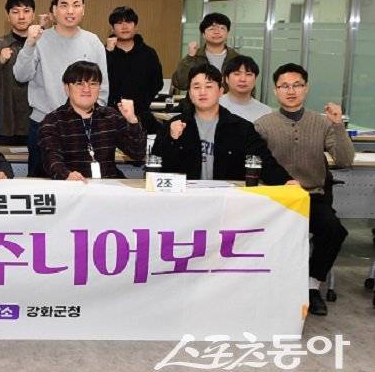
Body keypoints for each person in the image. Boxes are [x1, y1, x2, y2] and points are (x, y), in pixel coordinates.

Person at [254, 63, 355, 315]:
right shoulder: (263, 124)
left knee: (334, 230)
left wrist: (338, 125)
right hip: (275, 198)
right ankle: (269, 286)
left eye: (297, 85)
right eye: (284, 86)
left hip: (312, 197)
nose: (291, 91)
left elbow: (344, 160)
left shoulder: (322, 123)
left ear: (306, 89)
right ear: (275, 90)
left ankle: (311, 286)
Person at [13, 0, 108, 177]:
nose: (70, 11)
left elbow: (102, 89)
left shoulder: (93, 42)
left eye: (76, 5)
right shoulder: (39, 40)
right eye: (64, 5)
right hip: (43, 123)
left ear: (83, 9)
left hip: (83, 127)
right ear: (55, 10)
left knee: (83, 183)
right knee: (40, 184)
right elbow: (21, 75)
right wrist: (29, 44)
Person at [151, 64, 292, 184]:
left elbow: (264, 162)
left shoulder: (241, 128)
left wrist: (286, 182)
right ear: (189, 93)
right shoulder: (174, 125)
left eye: (209, 86)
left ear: (220, 91)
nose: (202, 92)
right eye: (196, 87)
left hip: (227, 201)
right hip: (186, 199)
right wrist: (171, 139)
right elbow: (155, 166)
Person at [39, 61, 146, 181]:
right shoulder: (53, 121)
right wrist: (66, 175)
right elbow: (51, 159)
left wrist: (132, 120)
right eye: (79, 83)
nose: (86, 89)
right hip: (73, 185)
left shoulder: (111, 116)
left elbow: (137, 154)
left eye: (93, 84)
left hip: (109, 184)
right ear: (67, 88)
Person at [0, 0, 35, 146]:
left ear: (33, 15)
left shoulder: (42, 45)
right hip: (4, 123)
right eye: (15, 12)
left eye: (26, 11)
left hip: (34, 121)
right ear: (8, 16)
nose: (21, 16)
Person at [104, 6, 163, 134]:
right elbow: (99, 82)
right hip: (110, 118)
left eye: (129, 22)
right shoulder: (104, 52)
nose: (124, 26)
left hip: (141, 116)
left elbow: (157, 83)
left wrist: (142, 102)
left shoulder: (149, 53)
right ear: (112, 28)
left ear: (136, 27)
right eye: (119, 23)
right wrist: (109, 53)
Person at [171, 12, 239, 91]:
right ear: (203, 34)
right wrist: (190, 57)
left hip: (227, 99)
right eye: (211, 29)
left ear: (227, 33)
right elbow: (180, 84)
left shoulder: (236, 58)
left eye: (222, 28)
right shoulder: (195, 56)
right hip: (199, 98)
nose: (217, 32)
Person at [219, 55, 271, 122]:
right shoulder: (214, 105)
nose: (243, 79)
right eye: (237, 74)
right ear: (226, 78)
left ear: (255, 79)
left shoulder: (265, 112)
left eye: (248, 74)